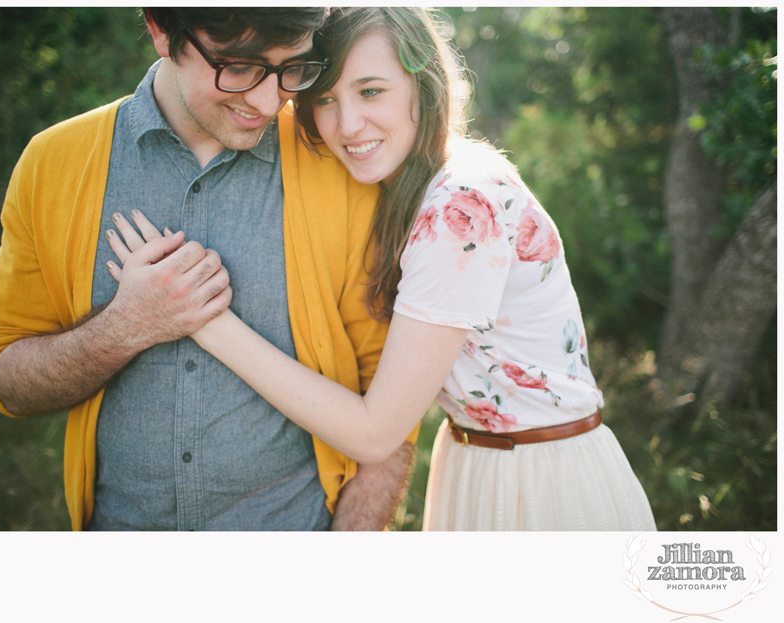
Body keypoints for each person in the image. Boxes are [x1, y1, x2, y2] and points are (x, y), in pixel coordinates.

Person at [107, 6, 656, 530]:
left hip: (540, 484)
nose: (347, 124)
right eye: (325, 99)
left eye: (371, 91)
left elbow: (375, 435)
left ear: (425, 84)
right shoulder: (421, 187)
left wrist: (196, 315)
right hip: (483, 460)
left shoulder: (461, 205)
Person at [0, 7, 417, 531]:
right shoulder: (51, 164)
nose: (268, 101)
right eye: (239, 67)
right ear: (161, 31)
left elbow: (391, 412)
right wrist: (124, 328)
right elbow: (6, 382)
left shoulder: (339, 166)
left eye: (292, 69)